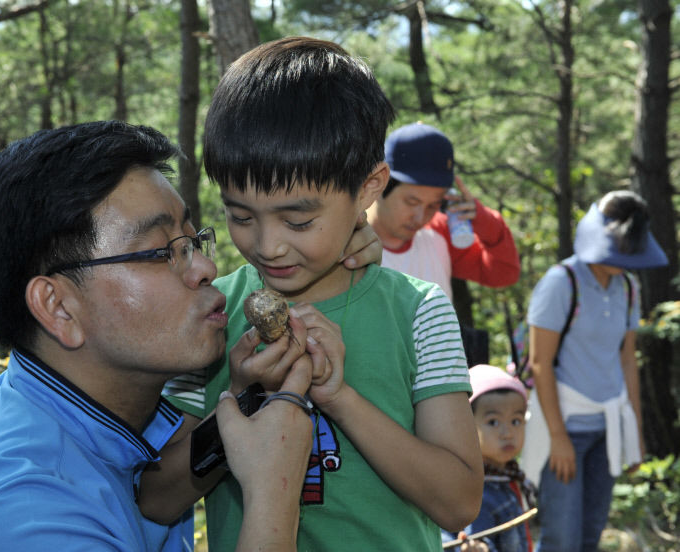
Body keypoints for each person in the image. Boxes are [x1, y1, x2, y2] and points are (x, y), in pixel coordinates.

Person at [0, 120, 328, 552]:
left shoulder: (80, 414)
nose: (206, 268)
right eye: (163, 251)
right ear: (59, 307)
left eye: (193, 241)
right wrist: (273, 493)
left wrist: (248, 398)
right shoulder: (26, 517)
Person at [156, 37, 483, 551]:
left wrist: (341, 398)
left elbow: (460, 501)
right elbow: (157, 497)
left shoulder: (417, 311)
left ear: (369, 188)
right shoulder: (208, 311)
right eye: (239, 215)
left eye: (300, 219)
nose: (267, 245)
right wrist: (243, 398)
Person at [521, 190, 668, 551]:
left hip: (608, 427)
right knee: (561, 538)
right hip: (566, 426)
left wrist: (634, 428)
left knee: (589, 536)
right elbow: (540, 362)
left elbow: (626, 358)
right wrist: (558, 436)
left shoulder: (628, 288)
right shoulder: (561, 283)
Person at [366, 122, 520, 303]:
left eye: (434, 205)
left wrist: (483, 219)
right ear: (377, 184)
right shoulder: (343, 239)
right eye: (411, 201)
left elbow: (503, 274)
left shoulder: (439, 232)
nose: (420, 217)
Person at [443, 364, 536, 552]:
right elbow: (478, 541)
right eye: (493, 422)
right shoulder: (478, 493)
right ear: (466, 426)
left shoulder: (508, 477)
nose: (507, 433)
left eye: (516, 421)